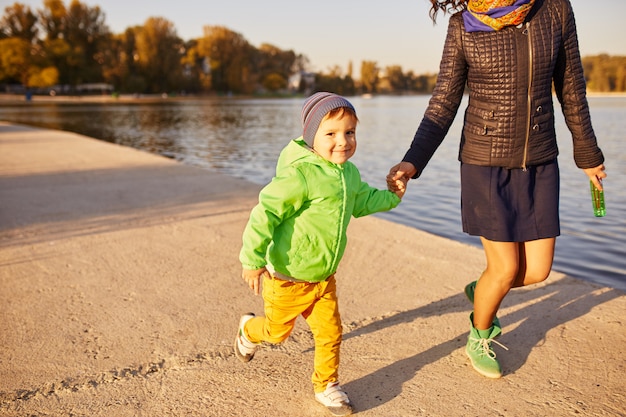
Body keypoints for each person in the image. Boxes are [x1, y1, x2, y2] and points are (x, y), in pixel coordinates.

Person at [387, 0, 606, 379]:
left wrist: (587, 153)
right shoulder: (462, 27)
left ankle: (485, 287)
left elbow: (571, 88)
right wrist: (413, 161)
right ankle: (480, 331)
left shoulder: (554, 10)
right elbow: (443, 103)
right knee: (505, 269)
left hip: (539, 159)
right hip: (484, 161)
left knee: (537, 271)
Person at [236, 92, 407, 416]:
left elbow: (363, 201)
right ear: (311, 136)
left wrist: (391, 196)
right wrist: (252, 260)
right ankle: (248, 330)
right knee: (276, 334)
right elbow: (265, 213)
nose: (342, 141)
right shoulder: (300, 175)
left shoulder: (349, 174)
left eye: (350, 132)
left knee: (330, 332)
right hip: (287, 277)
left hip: (323, 278)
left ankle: (326, 385)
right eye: (330, 134)